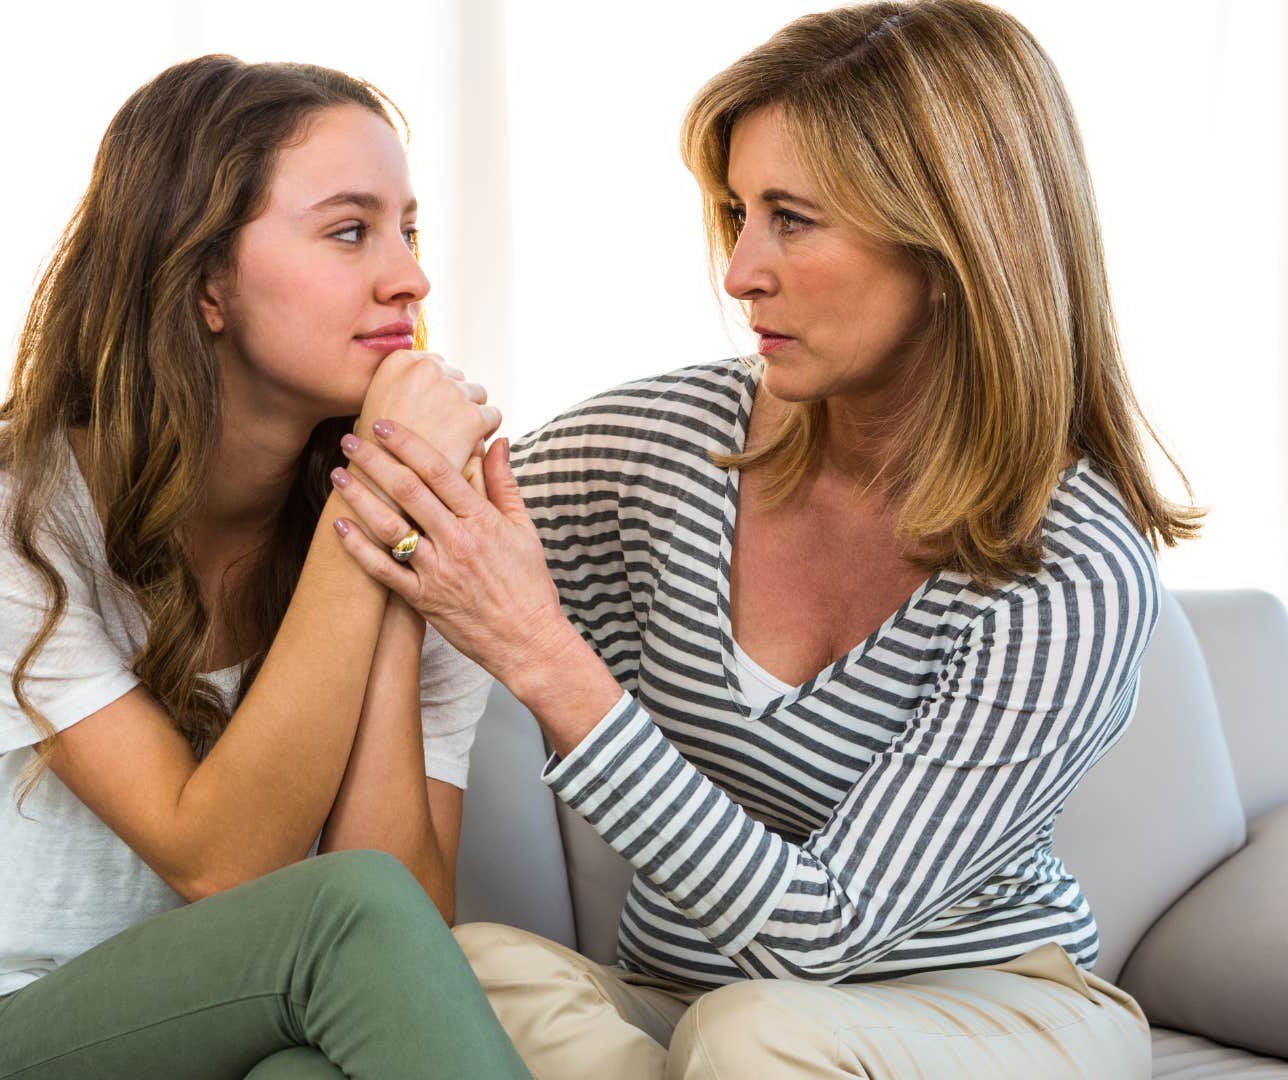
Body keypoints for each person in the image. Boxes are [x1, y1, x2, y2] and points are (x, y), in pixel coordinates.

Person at [327, 1, 1200, 1076]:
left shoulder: (1073, 565)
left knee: (757, 1033)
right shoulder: (669, 448)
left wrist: (542, 656)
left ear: (953, 245)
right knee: (460, 970)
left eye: (792, 217)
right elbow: (414, 509)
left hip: (985, 1011)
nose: (739, 272)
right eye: (738, 213)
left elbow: (819, 935)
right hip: (690, 1005)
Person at [0, 55, 531, 1080]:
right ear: (206, 281)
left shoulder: (418, 513)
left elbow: (406, 905)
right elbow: (225, 861)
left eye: (409, 228)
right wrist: (375, 509)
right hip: (15, 1047)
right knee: (339, 917)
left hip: (269, 1041)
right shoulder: (1, 506)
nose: (410, 276)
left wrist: (400, 557)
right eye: (350, 230)